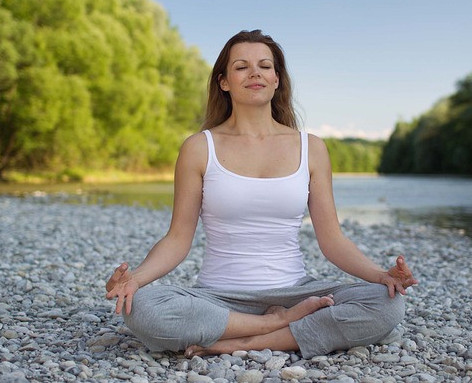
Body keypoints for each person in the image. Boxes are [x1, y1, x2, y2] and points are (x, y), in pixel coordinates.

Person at [105, 29, 418, 359]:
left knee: (387, 304)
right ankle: (279, 326)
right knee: (141, 308)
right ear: (224, 82)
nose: (255, 72)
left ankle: (242, 340)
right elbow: (178, 238)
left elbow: (333, 240)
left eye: (264, 66)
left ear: (277, 79)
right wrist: (136, 278)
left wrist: (380, 275)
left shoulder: (311, 148)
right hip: (219, 297)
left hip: (296, 291)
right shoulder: (199, 148)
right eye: (241, 66)